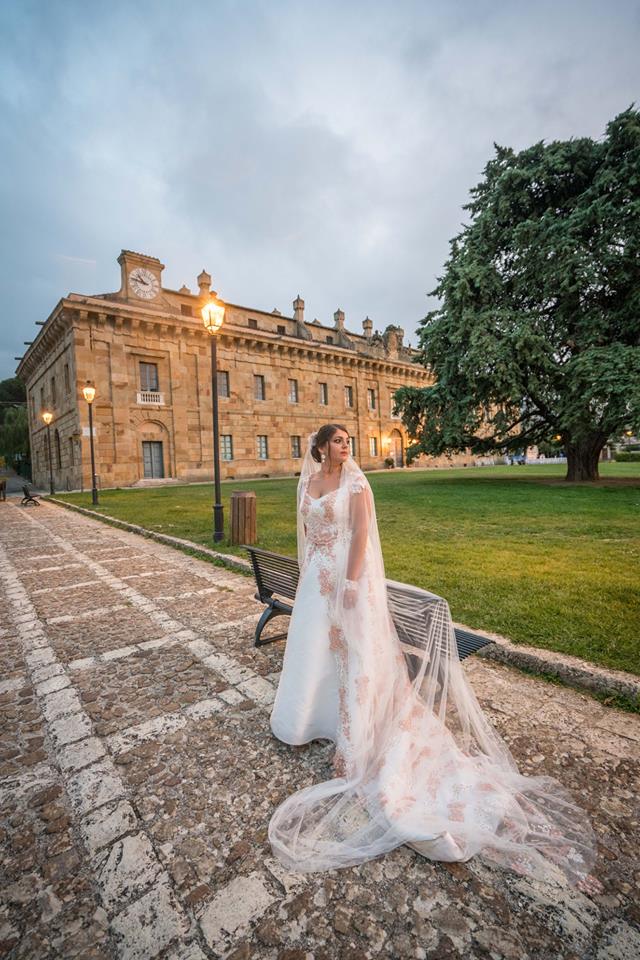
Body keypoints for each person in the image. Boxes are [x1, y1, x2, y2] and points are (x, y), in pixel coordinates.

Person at [268, 424, 600, 892]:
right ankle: (307, 719)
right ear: (321, 446)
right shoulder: (308, 482)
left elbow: (361, 535)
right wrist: (313, 572)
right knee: (315, 654)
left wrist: (351, 581)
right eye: (338, 440)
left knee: (353, 659)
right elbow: (306, 531)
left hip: (346, 578)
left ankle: (354, 729)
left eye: (348, 441)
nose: (346, 446)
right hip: (314, 582)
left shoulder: (357, 484)